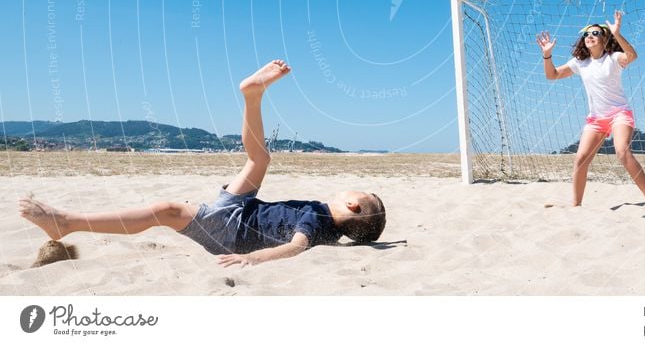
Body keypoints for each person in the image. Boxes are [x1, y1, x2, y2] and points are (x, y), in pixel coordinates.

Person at [19, 60, 386, 267]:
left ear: (352, 205)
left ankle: (65, 223)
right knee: (260, 157)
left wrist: (253, 260)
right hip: (247, 211)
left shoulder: (319, 220)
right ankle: (253, 96)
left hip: (234, 229)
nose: (352, 190)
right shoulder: (330, 229)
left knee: (165, 210)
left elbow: (296, 246)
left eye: (359, 193)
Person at [536, 11, 645, 211]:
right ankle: (576, 204)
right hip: (596, 119)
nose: (589, 36)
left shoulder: (614, 58)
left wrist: (617, 33)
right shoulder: (580, 63)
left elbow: (632, 56)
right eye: (586, 34)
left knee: (622, 151)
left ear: (604, 38)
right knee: (581, 159)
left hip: (619, 114)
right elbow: (552, 75)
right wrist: (547, 54)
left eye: (595, 33)